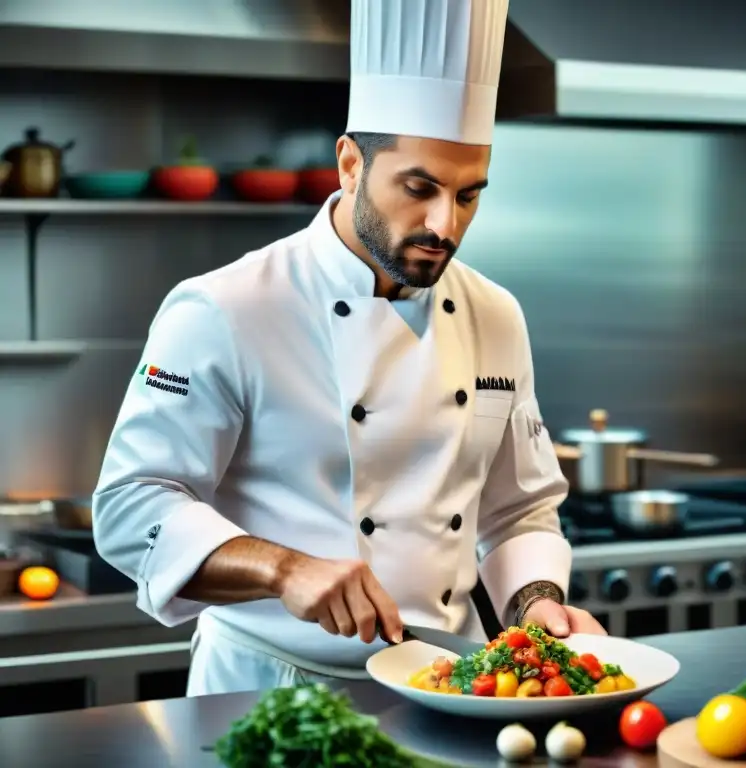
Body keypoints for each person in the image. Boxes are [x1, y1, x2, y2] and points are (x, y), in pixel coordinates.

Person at [91, 0, 605, 696]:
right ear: (350, 164)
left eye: (468, 196)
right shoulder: (226, 307)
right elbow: (129, 507)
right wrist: (284, 568)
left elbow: (518, 510)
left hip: (449, 687)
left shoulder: (496, 315)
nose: (442, 224)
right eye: (418, 187)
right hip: (269, 690)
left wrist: (536, 607)